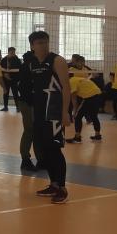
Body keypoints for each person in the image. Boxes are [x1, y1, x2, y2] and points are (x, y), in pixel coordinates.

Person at [24, 31, 72, 204]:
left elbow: (66, 87)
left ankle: (62, 188)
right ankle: (54, 184)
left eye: (45, 42)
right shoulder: (32, 63)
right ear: (32, 46)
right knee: (43, 149)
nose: (43, 45)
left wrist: (65, 112)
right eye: (39, 43)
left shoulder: (57, 61)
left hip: (54, 114)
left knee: (54, 149)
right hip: (39, 113)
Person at [17, 48, 39, 172]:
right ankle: (25, 159)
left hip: (31, 102)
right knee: (29, 130)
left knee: (35, 130)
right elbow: (23, 87)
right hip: (27, 103)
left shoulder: (29, 66)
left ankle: (39, 159)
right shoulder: (28, 67)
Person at [68, 71, 103, 143]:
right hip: (98, 95)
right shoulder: (77, 79)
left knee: (77, 117)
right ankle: (97, 136)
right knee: (94, 116)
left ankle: (77, 137)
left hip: (90, 96)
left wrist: (74, 110)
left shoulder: (71, 81)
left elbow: (74, 98)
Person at [0, 47, 22, 111]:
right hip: (5, 79)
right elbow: (0, 68)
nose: (13, 53)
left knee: (15, 93)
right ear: (8, 52)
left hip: (14, 80)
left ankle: (18, 107)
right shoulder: (4, 60)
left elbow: (20, 69)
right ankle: (5, 107)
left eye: (14, 52)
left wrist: (18, 79)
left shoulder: (17, 60)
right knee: (5, 93)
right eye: (12, 52)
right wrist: (4, 74)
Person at [107, 53, 117, 121]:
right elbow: (111, 75)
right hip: (116, 87)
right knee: (115, 101)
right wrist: (113, 82)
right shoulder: (115, 66)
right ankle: (115, 115)